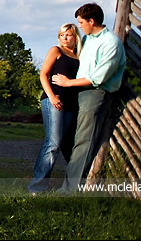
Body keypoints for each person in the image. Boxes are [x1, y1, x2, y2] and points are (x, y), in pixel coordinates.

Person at [51, 2, 126, 192]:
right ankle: (74, 183)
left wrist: (68, 83)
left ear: (91, 21)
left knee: (84, 141)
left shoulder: (111, 43)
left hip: (95, 93)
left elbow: (98, 77)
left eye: (81, 22)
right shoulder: (88, 40)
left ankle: (69, 190)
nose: (80, 26)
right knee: (68, 138)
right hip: (79, 93)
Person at [27, 23, 82, 194]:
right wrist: (51, 97)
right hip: (54, 100)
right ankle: (37, 187)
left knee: (67, 144)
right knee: (53, 142)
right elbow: (43, 74)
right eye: (61, 35)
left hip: (71, 103)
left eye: (68, 35)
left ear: (75, 37)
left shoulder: (79, 56)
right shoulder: (56, 51)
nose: (64, 38)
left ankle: (75, 185)